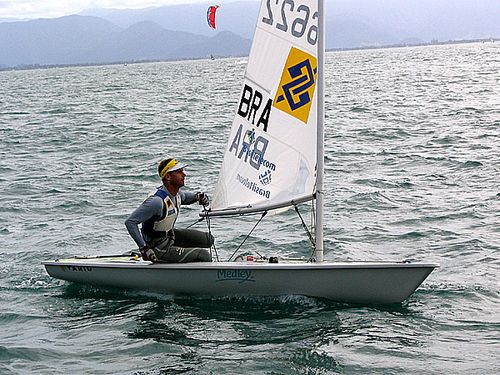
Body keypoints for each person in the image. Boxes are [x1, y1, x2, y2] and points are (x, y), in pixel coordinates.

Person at [125, 158, 213, 263]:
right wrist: (144, 248)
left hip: (169, 237)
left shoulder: (177, 195)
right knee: (203, 255)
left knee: (209, 239)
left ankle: (181, 256)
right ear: (168, 177)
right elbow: (130, 222)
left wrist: (198, 197)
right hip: (158, 248)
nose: (184, 175)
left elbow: (187, 197)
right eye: (179, 172)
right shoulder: (156, 202)